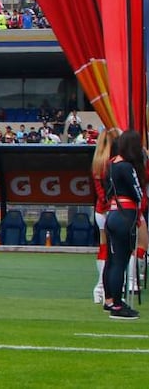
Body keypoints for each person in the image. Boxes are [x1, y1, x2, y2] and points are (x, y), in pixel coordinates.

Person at [102, 130, 145, 319]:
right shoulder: (127, 167)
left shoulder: (111, 164)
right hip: (125, 214)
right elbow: (138, 193)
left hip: (112, 212)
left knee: (111, 261)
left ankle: (111, 300)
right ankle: (118, 306)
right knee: (120, 261)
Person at [90, 129, 120, 303]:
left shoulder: (97, 162)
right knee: (116, 250)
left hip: (100, 210)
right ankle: (107, 287)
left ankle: (99, 288)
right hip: (112, 210)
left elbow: (100, 192)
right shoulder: (112, 162)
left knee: (103, 247)